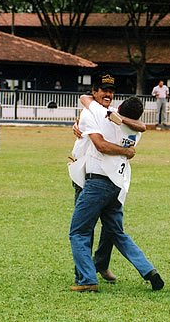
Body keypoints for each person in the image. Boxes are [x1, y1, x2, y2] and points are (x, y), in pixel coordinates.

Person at [69, 72, 163, 293]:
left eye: (111, 91)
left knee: (80, 231)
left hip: (95, 181)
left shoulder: (100, 114)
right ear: (96, 91)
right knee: (116, 232)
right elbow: (142, 126)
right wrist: (127, 150)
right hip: (116, 185)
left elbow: (99, 140)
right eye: (104, 90)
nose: (108, 94)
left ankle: (86, 279)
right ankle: (148, 271)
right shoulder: (129, 127)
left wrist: (107, 116)